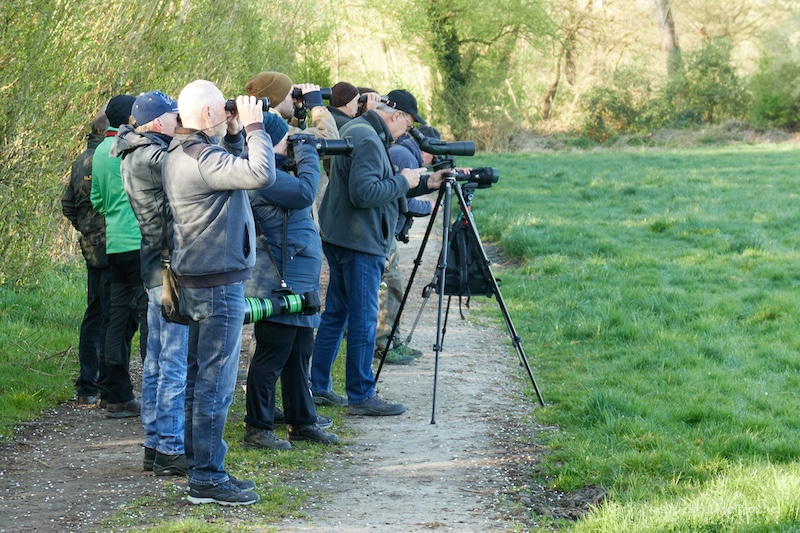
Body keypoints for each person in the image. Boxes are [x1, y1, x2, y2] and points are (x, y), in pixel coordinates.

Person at [163, 80, 276, 506]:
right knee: (216, 383)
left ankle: (200, 470)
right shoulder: (202, 156)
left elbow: (225, 169)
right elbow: (261, 173)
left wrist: (230, 133)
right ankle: (208, 479)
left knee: (199, 379)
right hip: (217, 286)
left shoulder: (183, 152)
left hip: (197, 281)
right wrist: (254, 128)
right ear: (208, 113)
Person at [309, 89, 448, 416]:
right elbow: (365, 192)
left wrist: (425, 182)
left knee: (337, 314)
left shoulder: (357, 129)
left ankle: (319, 386)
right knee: (363, 316)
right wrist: (403, 180)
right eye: (410, 123)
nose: (410, 131)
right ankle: (361, 394)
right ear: (396, 115)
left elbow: (377, 182)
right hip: (361, 240)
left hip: (341, 235)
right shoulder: (370, 140)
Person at [242, 114, 339, 450]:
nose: (292, 143)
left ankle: (302, 422)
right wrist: (309, 152)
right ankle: (258, 428)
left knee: (299, 355)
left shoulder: (276, 172)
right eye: (287, 139)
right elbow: (305, 192)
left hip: (296, 277)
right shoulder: (263, 177)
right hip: (277, 281)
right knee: (271, 357)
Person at [110, 90, 189, 476]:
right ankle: (170, 448)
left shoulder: (135, 151)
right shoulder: (153, 156)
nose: (181, 123)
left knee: (157, 361)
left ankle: (156, 445)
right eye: (176, 117)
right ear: (159, 123)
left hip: (154, 265)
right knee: (171, 361)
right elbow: (191, 169)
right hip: (169, 268)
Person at [90, 94, 147, 418]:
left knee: (117, 320)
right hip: (142, 242)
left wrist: (115, 210)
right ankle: (154, 395)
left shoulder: (100, 150)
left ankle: (117, 395)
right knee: (150, 317)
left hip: (114, 245)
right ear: (131, 119)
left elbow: (97, 201)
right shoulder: (138, 146)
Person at [376, 125, 443, 365]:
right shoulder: (405, 156)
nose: (433, 160)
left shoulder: (405, 153)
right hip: (382, 231)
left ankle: (392, 339)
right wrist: (431, 207)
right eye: (433, 154)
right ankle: (384, 343)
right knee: (390, 287)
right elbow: (400, 198)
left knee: (392, 287)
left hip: (386, 230)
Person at [62, 110, 111, 406]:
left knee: (94, 313)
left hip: (91, 247)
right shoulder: (111, 157)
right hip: (115, 245)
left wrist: (85, 228)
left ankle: (88, 386)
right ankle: (110, 385)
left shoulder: (80, 161)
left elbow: (67, 204)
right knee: (115, 314)